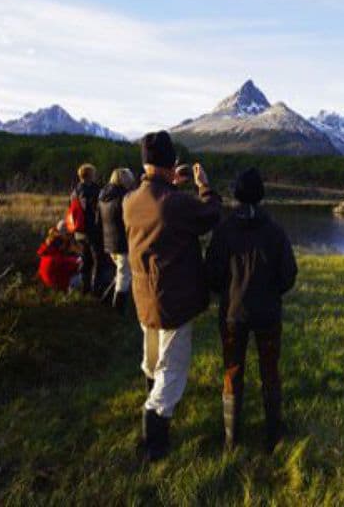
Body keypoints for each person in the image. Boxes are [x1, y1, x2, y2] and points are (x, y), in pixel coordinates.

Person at [123, 131, 221, 462]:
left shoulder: (129, 201)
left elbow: (159, 216)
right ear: (168, 165)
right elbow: (209, 214)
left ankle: (151, 403)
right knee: (173, 369)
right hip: (174, 301)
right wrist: (204, 185)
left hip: (143, 297)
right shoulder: (174, 203)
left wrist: (171, 186)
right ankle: (155, 435)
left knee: (151, 359)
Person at [205, 167, 297, 453]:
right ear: (261, 195)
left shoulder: (223, 231)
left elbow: (212, 274)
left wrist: (228, 293)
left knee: (233, 371)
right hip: (268, 313)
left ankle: (231, 439)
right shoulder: (275, 230)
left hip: (233, 314)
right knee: (270, 370)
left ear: (236, 194)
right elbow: (289, 274)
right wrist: (271, 293)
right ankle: (273, 435)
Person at [99, 167, 137, 314]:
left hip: (109, 241)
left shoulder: (103, 196)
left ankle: (106, 300)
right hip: (122, 242)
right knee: (124, 276)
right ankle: (118, 309)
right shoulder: (124, 198)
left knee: (121, 273)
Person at [70, 163, 103, 295]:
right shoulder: (90, 190)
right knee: (97, 260)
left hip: (79, 231)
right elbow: (91, 210)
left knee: (85, 259)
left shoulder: (75, 190)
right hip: (91, 231)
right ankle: (95, 290)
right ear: (91, 175)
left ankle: (85, 288)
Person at [37, 221, 81, 292]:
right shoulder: (55, 258)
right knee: (85, 276)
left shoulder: (47, 253)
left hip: (51, 282)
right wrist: (78, 260)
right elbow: (72, 265)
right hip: (59, 284)